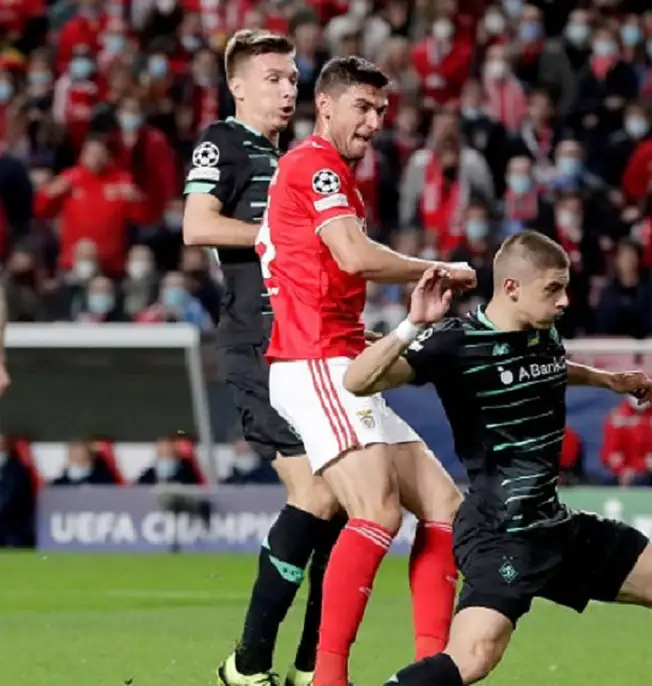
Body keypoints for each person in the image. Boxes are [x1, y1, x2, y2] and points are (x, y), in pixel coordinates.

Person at [340, 231, 652, 686]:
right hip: (500, 530)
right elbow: (357, 381)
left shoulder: (542, 332)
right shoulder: (454, 343)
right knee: (474, 657)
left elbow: (548, 368)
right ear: (512, 288)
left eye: (565, 288)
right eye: (553, 289)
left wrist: (607, 380)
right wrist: (411, 326)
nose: (564, 301)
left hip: (552, 524)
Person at [258, 56, 475, 686]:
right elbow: (353, 256)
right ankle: (328, 678)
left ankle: (433, 669)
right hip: (313, 361)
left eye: (381, 110)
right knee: (376, 512)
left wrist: (368, 338)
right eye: (363, 107)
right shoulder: (315, 165)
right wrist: (438, 269)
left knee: (445, 507)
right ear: (324, 105)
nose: (375, 122)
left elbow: (321, 271)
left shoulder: (332, 175)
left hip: (340, 354)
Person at [180, 30, 332, 686]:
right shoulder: (223, 141)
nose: (288, 89)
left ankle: (312, 667)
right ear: (238, 86)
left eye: (293, 78)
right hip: (257, 345)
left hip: (305, 346)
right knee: (317, 494)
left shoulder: (291, 157)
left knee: (347, 503)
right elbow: (197, 225)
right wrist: (280, 236)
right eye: (273, 78)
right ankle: (249, 665)